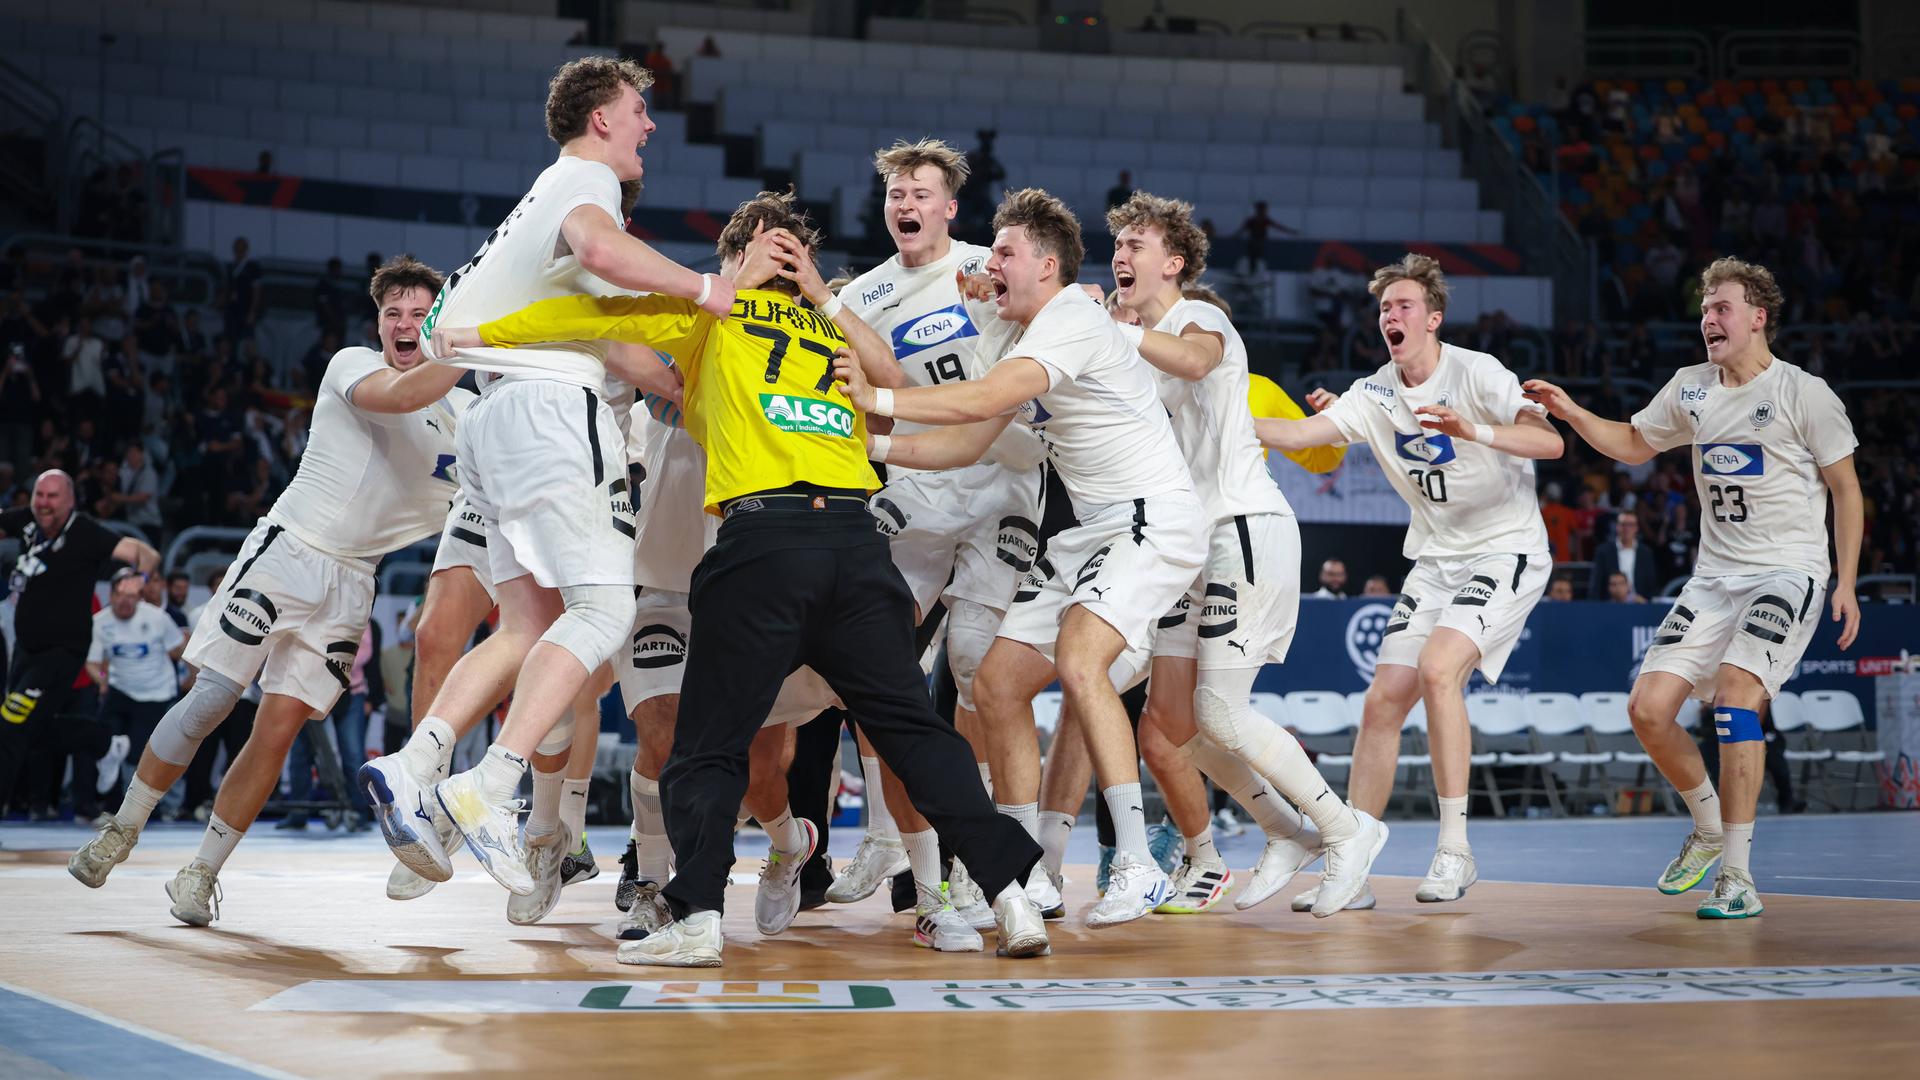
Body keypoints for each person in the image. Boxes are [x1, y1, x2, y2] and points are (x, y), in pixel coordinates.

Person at [437, 189, 1050, 965]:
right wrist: (823, 298)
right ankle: (1011, 897)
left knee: (707, 743)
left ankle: (695, 918)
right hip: (857, 543)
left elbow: (583, 316)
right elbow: (894, 394)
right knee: (916, 735)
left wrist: (474, 335)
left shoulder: (709, 314)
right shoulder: (830, 326)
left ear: (741, 256)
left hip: (763, 540)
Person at [364, 56, 730, 898]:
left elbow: (596, 341)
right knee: (604, 612)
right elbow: (603, 245)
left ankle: (415, 764)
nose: (649, 125)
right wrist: (708, 289)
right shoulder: (584, 181)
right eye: (638, 110)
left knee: (526, 627)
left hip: (491, 420)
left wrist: (682, 382)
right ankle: (485, 790)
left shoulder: (528, 212)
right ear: (601, 118)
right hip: (551, 412)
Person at [833, 188, 1209, 931]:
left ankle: (1138, 863)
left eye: (1004, 252)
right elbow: (964, 444)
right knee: (998, 685)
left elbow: (979, 401)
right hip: (1086, 534)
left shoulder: (1073, 318)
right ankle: (1023, 868)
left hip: (1152, 517)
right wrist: (865, 443)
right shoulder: (1013, 334)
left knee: (1080, 660)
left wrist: (878, 396)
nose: (988, 264)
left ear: (1047, 264)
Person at [68, 257, 473, 927]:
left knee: (278, 730)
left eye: (419, 315)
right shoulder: (352, 364)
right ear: (378, 324)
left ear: (436, 323)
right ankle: (123, 827)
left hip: (354, 583)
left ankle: (201, 873)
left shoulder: (465, 414)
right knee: (213, 697)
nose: (404, 324)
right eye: (392, 313)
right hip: (290, 550)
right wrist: (469, 346)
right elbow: (401, 397)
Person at [1522, 257, 1861, 919]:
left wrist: (1845, 582)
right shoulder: (1691, 388)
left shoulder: (1804, 393)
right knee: (1647, 710)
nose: (1709, 319)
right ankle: (1707, 827)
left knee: (1734, 701)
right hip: (1713, 579)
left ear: (1757, 317)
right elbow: (1633, 444)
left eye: (1721, 308)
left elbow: (1846, 490)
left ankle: (1737, 877)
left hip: (1787, 571)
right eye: (1705, 310)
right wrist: (1571, 411)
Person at [1105, 191, 1384, 917]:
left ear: (1173, 262)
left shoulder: (1201, 320)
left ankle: (1346, 829)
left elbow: (1196, 361)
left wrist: (1117, 332)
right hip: (1184, 546)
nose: (1120, 255)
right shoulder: (1131, 346)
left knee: (1221, 714)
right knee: (1169, 726)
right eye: (1118, 244)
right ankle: (1284, 831)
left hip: (1242, 528)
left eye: (1136, 244)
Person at [1255, 253, 1562, 909]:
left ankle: (1455, 849)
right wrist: (1230, 421)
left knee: (1438, 668)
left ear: (1433, 318)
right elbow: (1303, 434)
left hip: (1505, 549)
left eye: (1403, 306)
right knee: (1382, 702)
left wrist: (1473, 429)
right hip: (1437, 559)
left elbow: (1550, 444)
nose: (1390, 315)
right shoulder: (1374, 392)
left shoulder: (1477, 372)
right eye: (1384, 308)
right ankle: (1352, 862)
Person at [824, 139, 1048, 937]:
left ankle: (1007, 864)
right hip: (918, 481)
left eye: (921, 192)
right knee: (872, 663)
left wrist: (1009, 290)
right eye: (895, 193)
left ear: (950, 206)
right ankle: (899, 850)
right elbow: (874, 390)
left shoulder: (995, 264)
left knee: (977, 669)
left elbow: (1074, 302)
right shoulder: (863, 293)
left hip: (1004, 481)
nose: (906, 204)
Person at [0, 471, 158, 811]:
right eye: (40, 495)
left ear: (70, 500)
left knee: (10, 726)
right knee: (31, 732)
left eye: (53, 496)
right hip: (25, 650)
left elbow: (144, 553)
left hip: (62, 651)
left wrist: (139, 578)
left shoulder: (85, 532)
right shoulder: (28, 521)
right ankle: (103, 742)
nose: (44, 503)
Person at [86, 568, 185, 807]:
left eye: (131, 596)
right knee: (103, 741)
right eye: (120, 594)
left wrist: (191, 678)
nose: (124, 601)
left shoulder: (157, 618)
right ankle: (109, 803)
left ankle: (141, 806)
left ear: (140, 597)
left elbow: (180, 649)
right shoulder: (100, 622)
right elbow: (93, 664)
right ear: (111, 595)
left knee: (139, 754)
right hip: (119, 688)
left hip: (155, 693)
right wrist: (102, 679)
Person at [1590, 509, 1660, 600]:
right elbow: (1596, 585)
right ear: (1617, 527)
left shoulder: (1646, 553)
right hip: (1610, 604)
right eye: (1623, 524)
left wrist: (1645, 602)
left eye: (1630, 525)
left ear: (1636, 528)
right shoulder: (1603, 552)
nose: (1627, 529)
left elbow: (1652, 584)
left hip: (1639, 604)